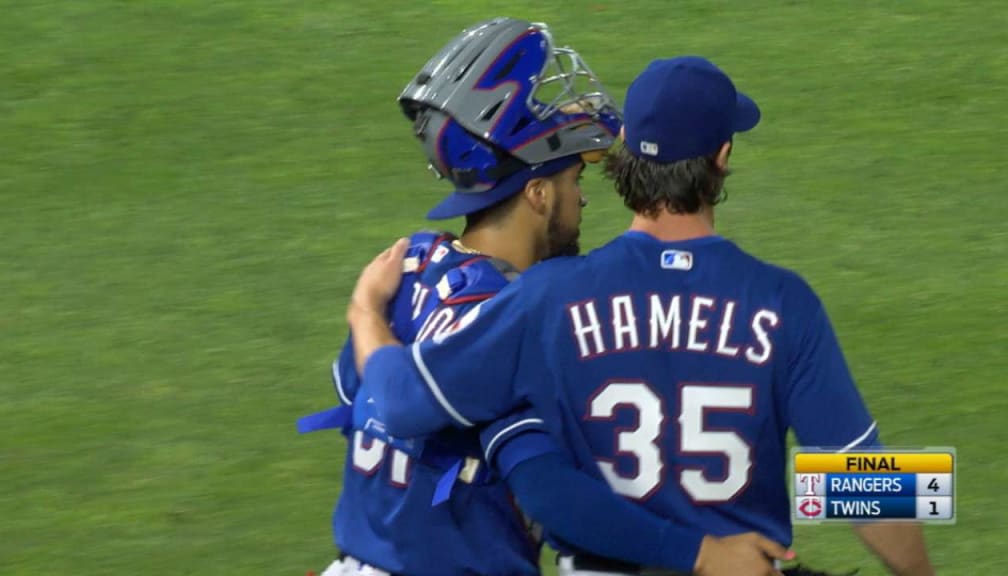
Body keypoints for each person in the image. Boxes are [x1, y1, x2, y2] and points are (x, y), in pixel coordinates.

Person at [345, 56, 937, 576]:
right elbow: (851, 476)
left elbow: (400, 403)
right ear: (722, 159)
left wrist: (367, 310)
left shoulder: (548, 297)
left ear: (626, 155)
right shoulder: (783, 302)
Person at [304, 21, 785, 576]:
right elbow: (547, 491)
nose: (581, 199)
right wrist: (702, 555)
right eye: (573, 179)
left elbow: (357, 394)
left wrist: (364, 312)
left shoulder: (407, 267)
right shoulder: (526, 316)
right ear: (536, 194)